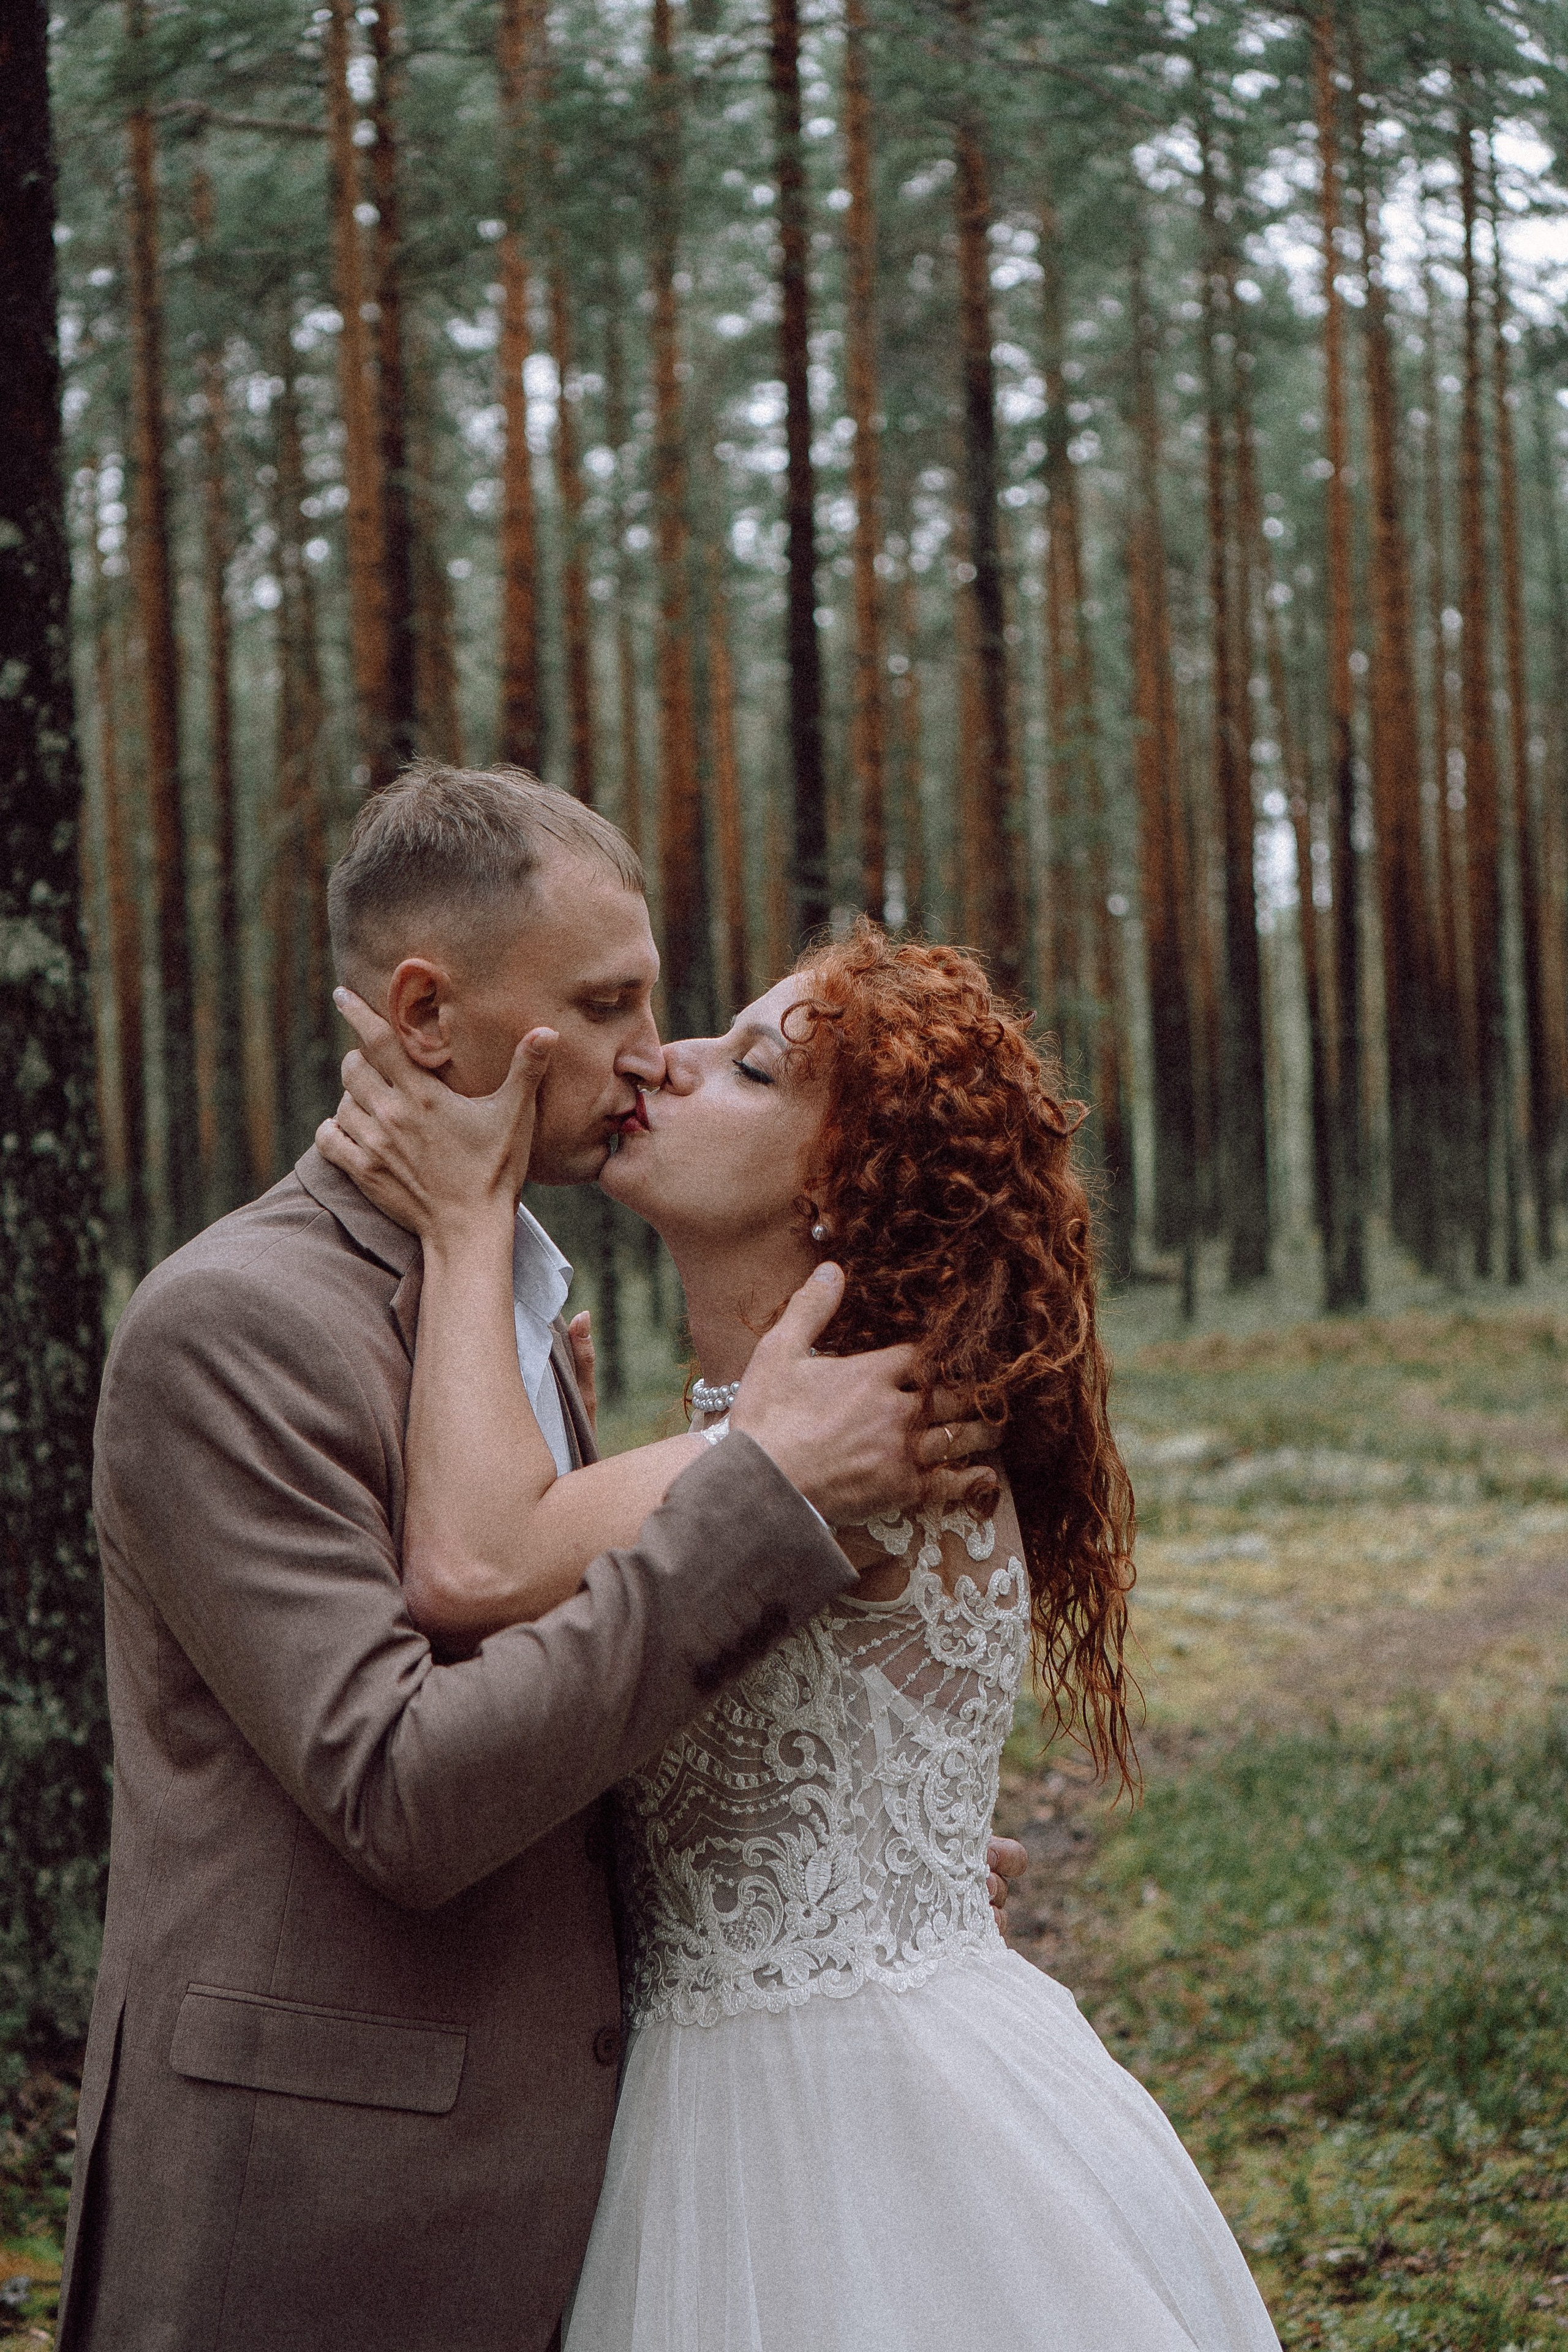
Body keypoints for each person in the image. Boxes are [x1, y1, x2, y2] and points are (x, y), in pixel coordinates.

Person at [57, 765, 1014, 2352]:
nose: (652, 1046)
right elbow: (403, 1788)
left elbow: (560, 1701)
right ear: (429, 1018)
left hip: (571, 2186)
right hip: (315, 2220)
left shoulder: (513, 1321)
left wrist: (824, 1843)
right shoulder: (230, 1329)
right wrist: (756, 1499)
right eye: (607, 999)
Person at [319, 918, 1282, 2351]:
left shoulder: (861, 1431)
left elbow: (469, 1561)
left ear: (842, 1187)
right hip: (790, 2062)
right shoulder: (785, 1428)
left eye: (751, 1069)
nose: (666, 1057)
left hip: (831, 2119)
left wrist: (467, 1224)